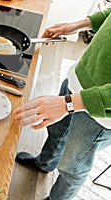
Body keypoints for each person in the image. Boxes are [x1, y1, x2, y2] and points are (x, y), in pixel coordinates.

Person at [13, 7, 111, 200]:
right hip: (80, 76)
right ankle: (45, 163)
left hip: (100, 113)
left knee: (72, 167)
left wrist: (68, 104)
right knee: (57, 131)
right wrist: (78, 25)